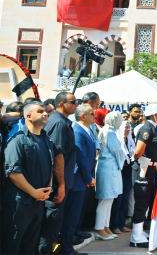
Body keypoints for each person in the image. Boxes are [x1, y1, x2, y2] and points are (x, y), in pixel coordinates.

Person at [3, 102, 66, 255]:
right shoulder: (17, 140)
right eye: (40, 111)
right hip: (19, 204)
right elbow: (13, 172)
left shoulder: (46, 139)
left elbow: (51, 163)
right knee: (12, 246)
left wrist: (49, 187)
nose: (45, 114)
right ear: (29, 117)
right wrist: (33, 192)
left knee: (30, 247)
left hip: (38, 203)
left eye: (46, 111)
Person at [39, 92, 78, 255]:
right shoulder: (59, 124)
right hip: (55, 185)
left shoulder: (61, 122)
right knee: (49, 229)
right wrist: (61, 185)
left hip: (58, 183)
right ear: (61, 104)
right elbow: (57, 155)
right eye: (73, 102)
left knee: (52, 227)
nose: (76, 104)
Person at [59, 105, 96, 255]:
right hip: (78, 179)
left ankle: (69, 245)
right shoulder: (78, 130)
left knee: (75, 216)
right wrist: (88, 177)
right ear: (83, 116)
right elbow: (81, 157)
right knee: (71, 216)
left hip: (82, 178)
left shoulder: (85, 130)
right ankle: (67, 249)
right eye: (92, 114)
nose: (95, 116)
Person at [130, 104, 157, 248]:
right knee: (142, 200)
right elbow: (138, 152)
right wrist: (146, 162)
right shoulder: (146, 129)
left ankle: (140, 231)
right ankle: (136, 236)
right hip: (143, 169)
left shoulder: (152, 128)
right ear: (153, 115)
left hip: (149, 168)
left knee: (145, 200)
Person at [94, 112, 125, 241]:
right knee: (105, 201)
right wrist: (121, 164)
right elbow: (118, 152)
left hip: (108, 169)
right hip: (109, 169)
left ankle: (105, 227)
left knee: (109, 200)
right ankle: (99, 229)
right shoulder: (110, 133)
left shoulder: (105, 130)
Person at [111, 121, 134, 234]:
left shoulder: (130, 140)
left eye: (129, 127)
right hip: (120, 171)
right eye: (126, 127)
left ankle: (122, 224)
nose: (128, 129)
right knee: (118, 199)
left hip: (129, 171)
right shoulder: (117, 140)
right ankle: (115, 225)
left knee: (125, 199)